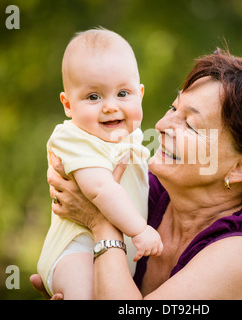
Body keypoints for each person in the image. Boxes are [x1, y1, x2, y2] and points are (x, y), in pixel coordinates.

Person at [31, 48, 242, 300]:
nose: (164, 125)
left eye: (190, 125)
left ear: (241, 167)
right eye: (173, 107)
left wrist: (102, 223)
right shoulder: (146, 193)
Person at [36, 28, 163, 300]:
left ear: (140, 94)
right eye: (93, 97)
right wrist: (139, 230)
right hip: (75, 252)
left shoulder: (131, 138)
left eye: (123, 93)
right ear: (68, 105)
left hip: (112, 254)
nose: (109, 106)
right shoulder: (74, 138)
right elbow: (99, 189)